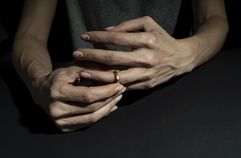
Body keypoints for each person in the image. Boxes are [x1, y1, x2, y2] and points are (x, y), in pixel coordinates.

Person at [12, 0, 228, 132]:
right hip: (89, 97)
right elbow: (29, 35)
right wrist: (39, 82)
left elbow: (215, 17)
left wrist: (184, 55)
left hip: (182, 88)